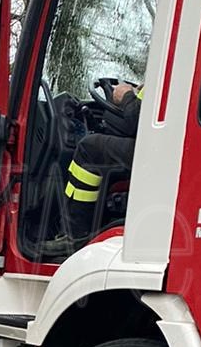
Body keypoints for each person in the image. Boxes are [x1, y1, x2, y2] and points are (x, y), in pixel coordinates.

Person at [42, 81, 142, 257]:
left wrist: (126, 97)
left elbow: (137, 122)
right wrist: (135, 94)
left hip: (156, 149)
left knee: (89, 148)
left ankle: (74, 235)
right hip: (162, 148)